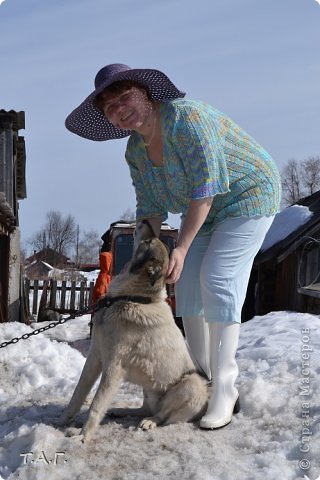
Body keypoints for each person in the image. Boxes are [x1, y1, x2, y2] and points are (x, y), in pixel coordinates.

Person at [65, 63, 281, 429]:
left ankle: (225, 388)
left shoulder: (188, 120)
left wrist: (179, 249)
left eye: (124, 97)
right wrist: (141, 258)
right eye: (109, 107)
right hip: (206, 211)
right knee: (186, 286)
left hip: (248, 196)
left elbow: (204, 191)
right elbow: (149, 209)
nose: (119, 108)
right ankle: (201, 382)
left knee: (217, 280)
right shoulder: (135, 151)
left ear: (146, 95)